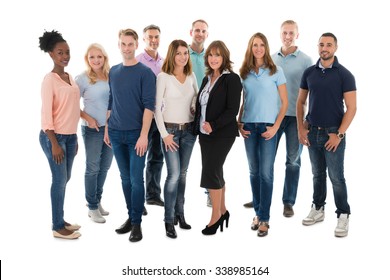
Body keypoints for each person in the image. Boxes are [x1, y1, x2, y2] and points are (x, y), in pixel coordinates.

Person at [243, 20, 313, 216]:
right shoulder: (271, 59)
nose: (288, 36)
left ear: (297, 35)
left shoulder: (306, 60)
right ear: (280, 34)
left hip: (295, 117)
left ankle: (288, 201)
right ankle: (260, 199)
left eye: (291, 33)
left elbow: (312, 90)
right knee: (264, 162)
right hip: (272, 118)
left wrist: (306, 122)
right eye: (284, 33)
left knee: (293, 160)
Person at [297, 32, 357, 237]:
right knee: (317, 174)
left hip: (333, 133)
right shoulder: (309, 73)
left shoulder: (344, 74)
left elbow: (352, 108)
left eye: (329, 45)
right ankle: (318, 208)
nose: (325, 48)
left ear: (335, 48)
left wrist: (338, 135)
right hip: (313, 132)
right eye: (321, 44)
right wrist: (300, 127)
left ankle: (343, 214)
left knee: (337, 177)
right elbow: (300, 102)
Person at [104, 28, 156, 242]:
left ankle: (137, 224)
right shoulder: (113, 71)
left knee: (136, 179)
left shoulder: (145, 73)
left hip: (137, 135)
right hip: (115, 133)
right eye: (123, 44)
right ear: (119, 46)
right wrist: (107, 128)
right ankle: (130, 216)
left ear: (136, 45)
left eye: (130, 44)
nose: (126, 48)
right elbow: (111, 102)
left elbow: (149, 107)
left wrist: (144, 136)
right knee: (125, 178)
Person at [238, 32, 288, 237]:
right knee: (254, 171)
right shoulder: (244, 72)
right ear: (250, 48)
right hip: (249, 125)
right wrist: (239, 123)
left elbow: (284, 103)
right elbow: (243, 101)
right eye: (254, 45)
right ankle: (258, 214)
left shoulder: (276, 71)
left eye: (261, 45)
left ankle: (265, 218)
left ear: (266, 48)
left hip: (269, 126)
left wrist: (276, 127)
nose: (258, 48)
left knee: (266, 173)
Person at [193, 40, 242, 235]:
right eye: (211, 55)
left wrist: (214, 124)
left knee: (211, 171)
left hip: (223, 134)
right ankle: (223, 211)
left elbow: (232, 109)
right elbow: (202, 105)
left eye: (218, 55)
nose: (214, 59)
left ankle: (215, 218)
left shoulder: (232, 79)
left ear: (224, 58)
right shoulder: (206, 79)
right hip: (205, 134)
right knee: (216, 171)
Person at [38, 30, 81, 239]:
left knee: (65, 179)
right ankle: (57, 227)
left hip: (70, 137)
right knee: (59, 180)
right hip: (54, 137)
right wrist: (54, 143)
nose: (65, 56)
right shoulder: (50, 80)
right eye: (60, 52)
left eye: (67, 52)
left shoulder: (70, 78)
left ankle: (60, 218)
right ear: (51, 54)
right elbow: (46, 117)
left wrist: (75, 137)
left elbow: (71, 109)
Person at [154, 39, 198, 238]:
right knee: (173, 176)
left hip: (188, 131)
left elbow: (198, 97)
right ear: (172, 55)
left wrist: (194, 105)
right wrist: (164, 135)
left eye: (185, 53)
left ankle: (181, 215)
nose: (183, 57)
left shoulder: (190, 75)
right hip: (170, 131)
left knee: (182, 174)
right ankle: (168, 220)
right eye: (179, 53)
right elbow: (156, 109)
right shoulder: (163, 77)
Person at [76, 43, 113, 223]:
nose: (96, 60)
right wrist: (88, 118)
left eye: (99, 56)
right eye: (92, 57)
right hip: (92, 130)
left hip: (111, 129)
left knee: (105, 167)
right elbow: (71, 105)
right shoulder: (82, 79)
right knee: (93, 168)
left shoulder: (111, 75)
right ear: (87, 59)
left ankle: (97, 201)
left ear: (104, 58)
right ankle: (91, 207)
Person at [136, 24, 165, 209]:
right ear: (144, 39)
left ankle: (153, 195)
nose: (153, 40)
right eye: (150, 37)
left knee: (157, 156)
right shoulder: (138, 61)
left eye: (156, 37)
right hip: (141, 117)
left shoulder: (165, 62)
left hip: (161, 117)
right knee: (139, 158)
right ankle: (138, 199)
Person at [189, 19, 211, 207]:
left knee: (210, 154)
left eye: (203, 31)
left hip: (206, 112)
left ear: (207, 34)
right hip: (186, 111)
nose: (200, 34)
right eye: (197, 30)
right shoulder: (182, 53)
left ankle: (210, 191)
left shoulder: (211, 56)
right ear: (191, 32)